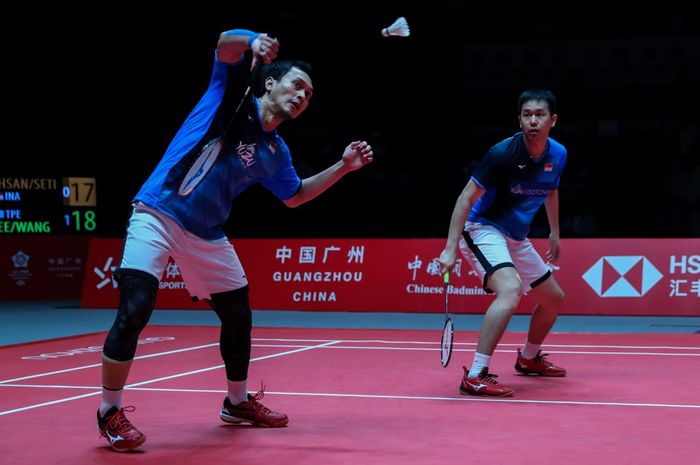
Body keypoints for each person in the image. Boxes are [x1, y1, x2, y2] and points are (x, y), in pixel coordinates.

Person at [96, 28, 374, 452]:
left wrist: (342, 166)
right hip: (158, 211)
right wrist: (253, 41)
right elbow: (225, 43)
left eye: (309, 94)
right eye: (296, 84)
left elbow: (295, 196)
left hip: (207, 234)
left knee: (238, 314)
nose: (302, 95)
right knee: (137, 306)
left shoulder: (276, 151)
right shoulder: (230, 96)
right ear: (269, 83)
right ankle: (109, 411)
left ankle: (237, 402)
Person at [438, 89, 566, 397]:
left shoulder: (558, 154)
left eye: (539, 114)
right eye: (527, 115)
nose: (533, 120)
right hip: (483, 228)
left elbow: (551, 190)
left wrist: (555, 232)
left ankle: (529, 357)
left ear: (553, 120)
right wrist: (450, 247)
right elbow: (465, 198)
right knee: (509, 290)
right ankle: (477, 374)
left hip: (516, 237)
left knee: (553, 299)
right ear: (519, 119)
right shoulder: (502, 154)